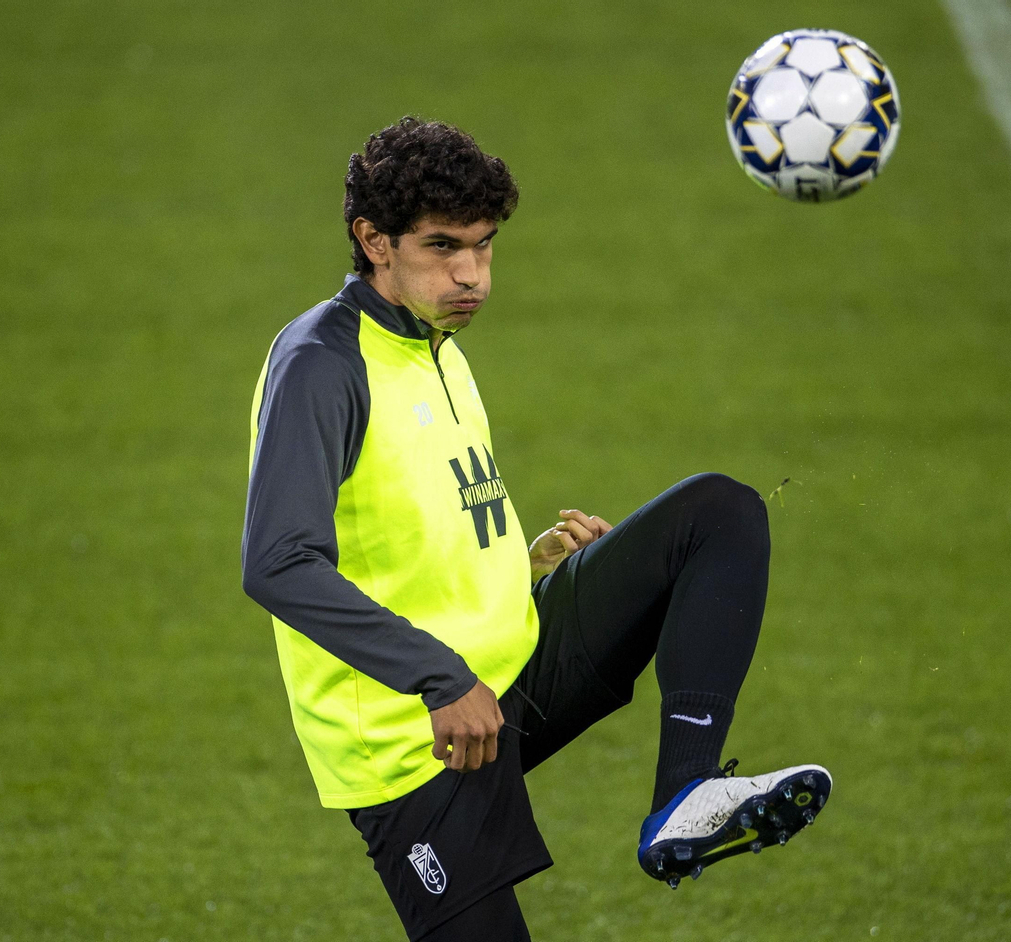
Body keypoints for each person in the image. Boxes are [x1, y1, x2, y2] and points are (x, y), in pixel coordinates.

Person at [241, 116, 831, 942]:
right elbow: (276, 563)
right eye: (444, 248)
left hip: (511, 667)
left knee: (718, 513)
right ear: (373, 240)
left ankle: (687, 795)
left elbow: (409, 527)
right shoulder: (323, 366)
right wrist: (439, 677)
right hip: (414, 742)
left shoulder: (436, 343)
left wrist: (524, 567)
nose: (472, 276)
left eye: (484, 247)